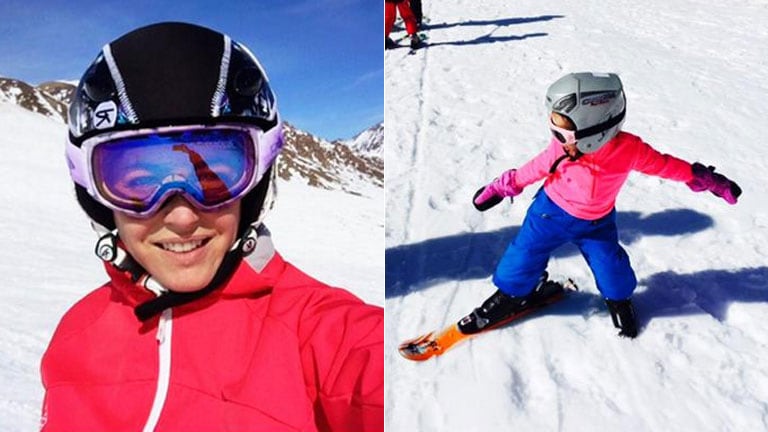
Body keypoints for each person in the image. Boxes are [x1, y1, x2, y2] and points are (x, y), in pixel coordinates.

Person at [40, 22, 383, 431]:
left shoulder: (321, 335)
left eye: (215, 174)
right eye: (136, 180)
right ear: (95, 195)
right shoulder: (75, 335)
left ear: (254, 188)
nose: (182, 217)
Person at [470, 72, 741, 338]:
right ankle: (513, 293)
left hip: (596, 224)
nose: (557, 139)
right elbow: (534, 169)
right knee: (523, 254)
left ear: (594, 130)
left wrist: (705, 178)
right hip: (547, 214)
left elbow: (665, 165)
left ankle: (619, 300)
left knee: (612, 268)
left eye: (562, 132)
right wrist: (502, 187)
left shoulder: (630, 149)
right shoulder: (561, 149)